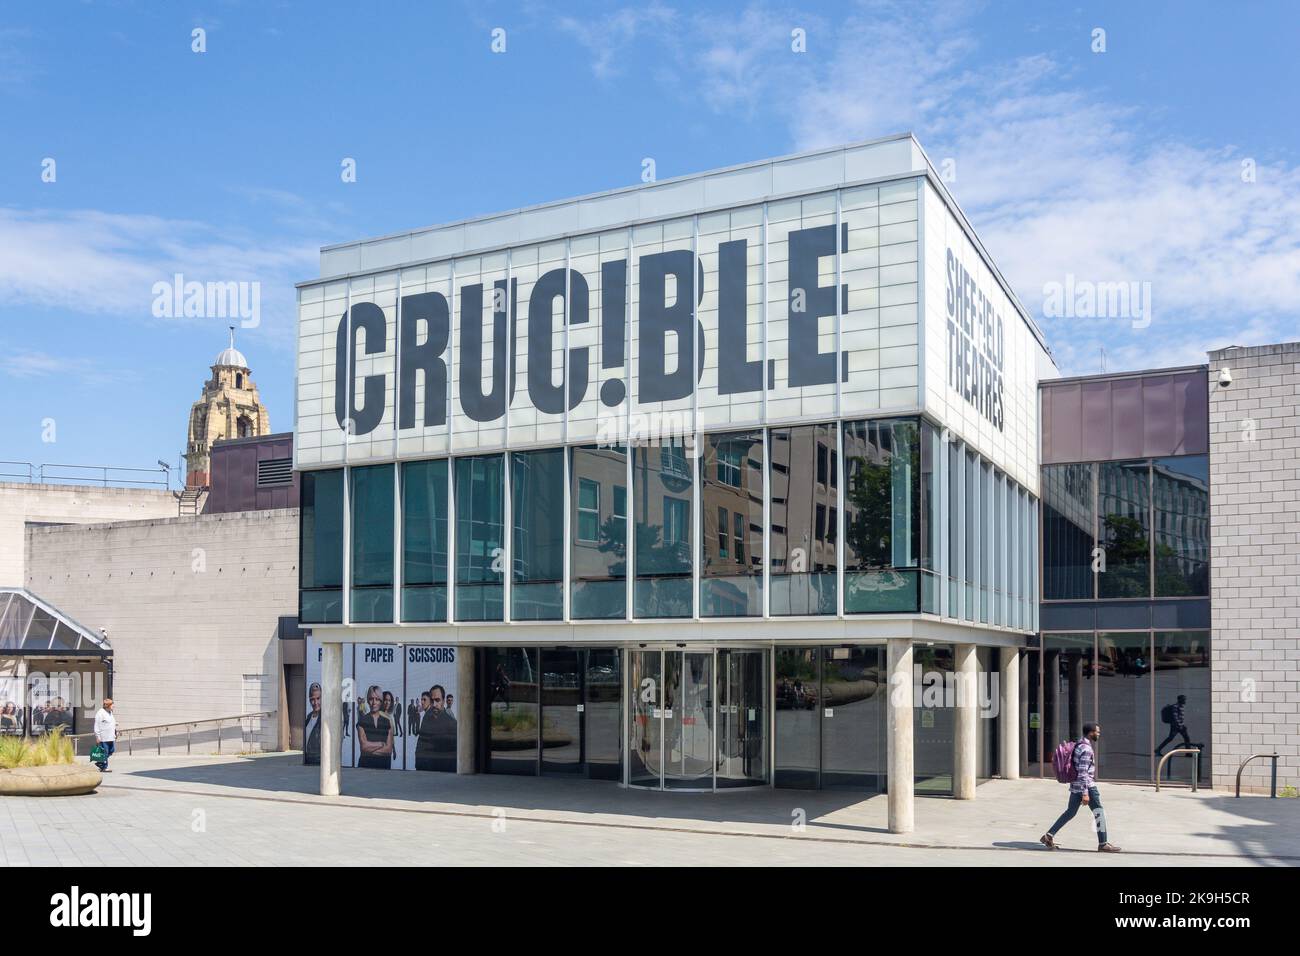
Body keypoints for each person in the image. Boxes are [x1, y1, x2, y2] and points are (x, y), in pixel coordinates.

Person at [1041, 723, 1121, 852]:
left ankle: (1048, 836)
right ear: (1091, 733)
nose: (1099, 734)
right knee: (1099, 812)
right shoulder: (1086, 749)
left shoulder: (1078, 745)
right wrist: (1085, 793)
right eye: (1097, 732)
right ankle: (1103, 844)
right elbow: (1083, 771)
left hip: (1075, 786)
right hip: (1087, 787)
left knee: (1070, 812)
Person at [414, 684, 457, 772]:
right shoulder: (427, 718)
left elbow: (453, 754)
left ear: (443, 701)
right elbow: (420, 745)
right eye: (432, 701)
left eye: (437, 700)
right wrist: (419, 766)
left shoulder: (451, 723)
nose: (434, 704)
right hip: (425, 771)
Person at [355, 685, 394, 770]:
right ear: (368, 701)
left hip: (384, 767)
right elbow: (364, 747)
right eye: (371, 699)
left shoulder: (387, 721)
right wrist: (381, 744)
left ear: (381, 701)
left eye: (377, 699)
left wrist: (370, 749)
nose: (374, 702)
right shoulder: (362, 721)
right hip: (365, 768)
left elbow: (388, 750)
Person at [93, 698, 117, 772]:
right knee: (105, 752)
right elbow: (96, 725)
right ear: (108, 706)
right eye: (112, 705)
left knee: (112, 750)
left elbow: (112, 724)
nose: (113, 707)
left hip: (111, 737)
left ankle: (100, 762)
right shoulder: (100, 713)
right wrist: (97, 736)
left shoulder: (110, 713)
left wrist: (115, 733)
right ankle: (104, 767)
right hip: (103, 737)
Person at [304, 682, 322, 766]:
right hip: (308, 760)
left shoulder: (326, 719)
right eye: (312, 699)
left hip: (319, 761)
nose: (315, 703)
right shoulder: (308, 718)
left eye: (318, 698)